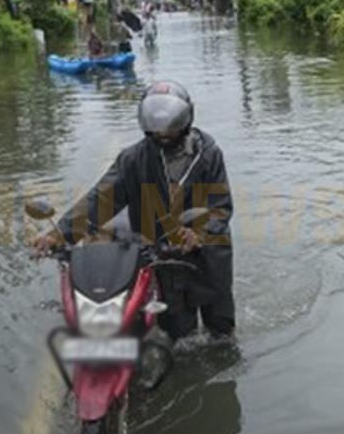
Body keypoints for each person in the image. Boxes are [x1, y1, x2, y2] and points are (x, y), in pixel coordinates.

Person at [34, 81, 235, 340]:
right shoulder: (133, 160)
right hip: (163, 256)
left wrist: (199, 233)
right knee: (179, 334)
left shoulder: (208, 155)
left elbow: (220, 207)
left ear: (185, 121)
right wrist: (59, 233)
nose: (165, 136)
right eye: (157, 131)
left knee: (221, 331)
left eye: (171, 130)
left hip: (208, 256)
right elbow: (100, 200)